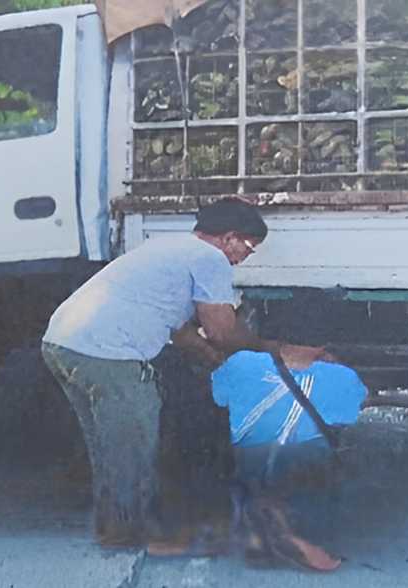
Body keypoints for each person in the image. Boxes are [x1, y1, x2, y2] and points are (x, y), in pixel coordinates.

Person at [41, 198, 328, 548]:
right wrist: (273, 350)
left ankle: (116, 523)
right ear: (229, 238)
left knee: (109, 442)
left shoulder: (170, 249)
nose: (245, 258)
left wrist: (213, 360)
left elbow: (181, 332)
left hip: (63, 343)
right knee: (133, 439)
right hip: (108, 353)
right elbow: (223, 331)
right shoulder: (210, 259)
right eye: (249, 248)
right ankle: (124, 532)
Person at [212, 350, 367, 571]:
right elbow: (352, 412)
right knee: (321, 455)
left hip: (250, 459)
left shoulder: (241, 362)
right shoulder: (343, 376)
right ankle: (295, 530)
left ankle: (256, 533)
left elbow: (218, 397)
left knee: (244, 460)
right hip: (303, 463)